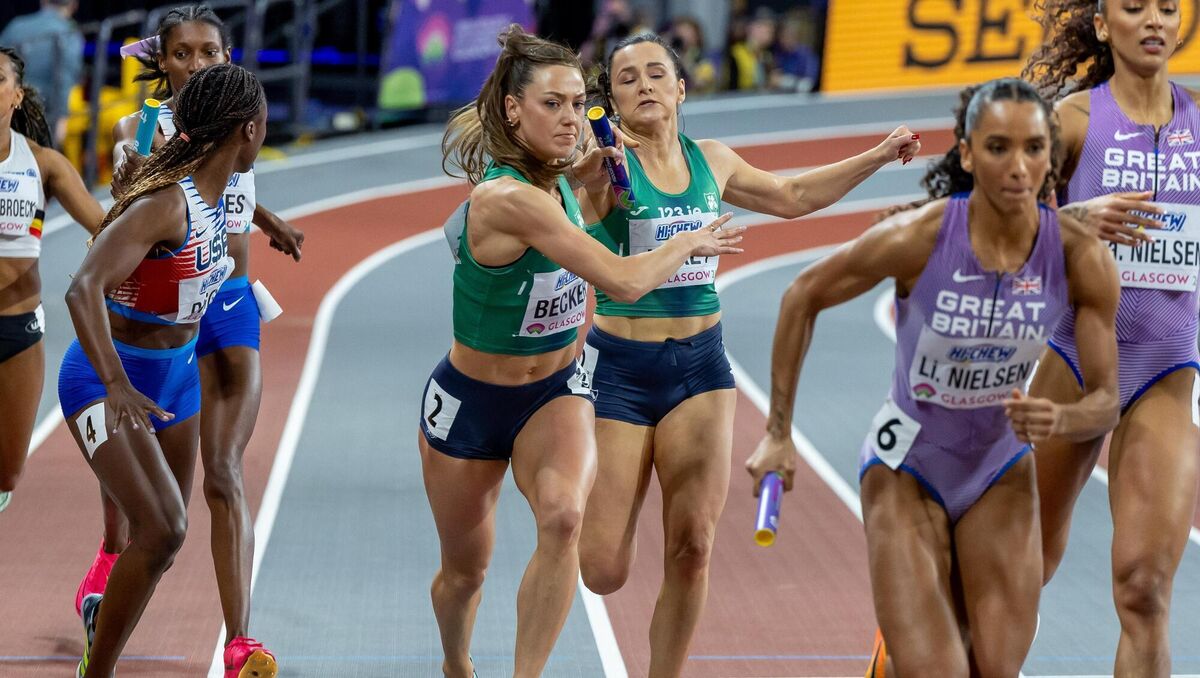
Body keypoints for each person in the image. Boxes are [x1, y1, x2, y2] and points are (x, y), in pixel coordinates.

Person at [748, 77, 1121, 677]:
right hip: (907, 468)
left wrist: (1063, 417)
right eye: (998, 147)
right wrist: (778, 432)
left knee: (994, 669)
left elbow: (1106, 401)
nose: (1018, 166)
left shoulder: (1081, 258)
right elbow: (801, 295)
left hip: (999, 466)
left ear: (1052, 155)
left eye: (1033, 148)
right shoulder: (920, 239)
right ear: (969, 153)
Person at [576, 32, 919, 678]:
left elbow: (792, 199)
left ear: (681, 89)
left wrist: (875, 155)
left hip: (700, 371)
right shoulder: (605, 169)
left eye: (657, 73)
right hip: (621, 370)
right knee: (601, 569)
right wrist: (587, 169)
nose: (645, 84)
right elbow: (567, 198)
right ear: (613, 102)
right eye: (628, 79)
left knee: (692, 548)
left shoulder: (713, 161)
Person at [424, 25, 743, 678]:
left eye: (578, 103)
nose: (573, 118)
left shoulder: (567, 170)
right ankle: (458, 663)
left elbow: (612, 181)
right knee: (464, 573)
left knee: (565, 519)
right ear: (514, 110)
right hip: (472, 399)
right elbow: (623, 280)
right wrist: (688, 241)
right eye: (553, 105)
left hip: (554, 391)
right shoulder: (510, 198)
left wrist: (616, 168)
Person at [74, 6, 302, 675]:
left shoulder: (239, 118)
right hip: (160, 314)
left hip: (224, 303)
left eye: (209, 53)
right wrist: (127, 187)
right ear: (163, 61)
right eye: (183, 54)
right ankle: (109, 558)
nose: (196, 64)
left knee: (222, 474)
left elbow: (228, 183)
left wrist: (265, 218)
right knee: (153, 513)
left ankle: (238, 643)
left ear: (227, 58)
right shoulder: (142, 133)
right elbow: (143, 204)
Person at [1022, 2, 1200, 675]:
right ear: (1103, 25)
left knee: (1145, 588)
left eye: (1167, 7)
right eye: (1134, 7)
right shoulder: (1069, 123)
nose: (1154, 19)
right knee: (1017, 571)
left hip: (1165, 365)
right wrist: (1071, 220)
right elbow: (991, 242)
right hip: (1076, 358)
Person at [0, 45, 103, 512]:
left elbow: (106, 228)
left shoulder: (44, 163)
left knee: (8, 471)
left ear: (16, 95)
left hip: (18, 328)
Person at [0, 0, 83, 145]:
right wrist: (62, 118)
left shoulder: (15, 26)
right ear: (74, 5)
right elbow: (64, 78)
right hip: (43, 119)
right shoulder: (70, 34)